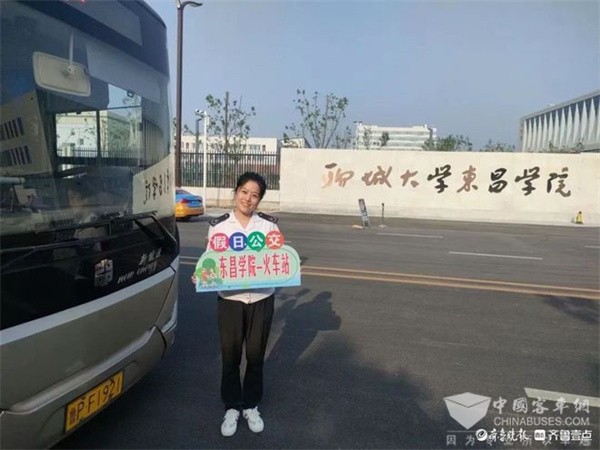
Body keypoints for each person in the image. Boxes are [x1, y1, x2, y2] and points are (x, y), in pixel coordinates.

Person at [192, 171, 279, 437]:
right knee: (230, 356)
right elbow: (210, 261)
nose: (248, 199)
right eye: (244, 192)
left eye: (255, 195)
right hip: (230, 301)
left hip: (261, 298)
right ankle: (231, 406)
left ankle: (251, 405)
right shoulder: (219, 226)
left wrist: (287, 267)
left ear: (259, 200)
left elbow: (277, 260)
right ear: (236, 191)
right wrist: (201, 275)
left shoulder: (268, 226)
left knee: (255, 355)